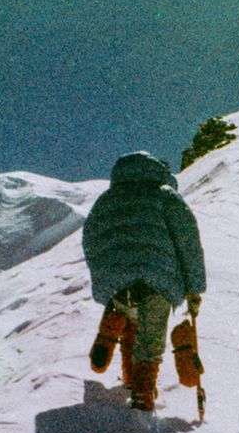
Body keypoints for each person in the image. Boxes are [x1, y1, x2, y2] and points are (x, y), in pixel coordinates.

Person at [82, 151, 206, 412]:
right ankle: (141, 394)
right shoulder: (164, 195)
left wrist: (104, 276)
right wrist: (194, 287)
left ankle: (112, 328)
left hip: (116, 280)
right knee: (149, 341)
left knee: (131, 325)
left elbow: (90, 238)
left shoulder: (106, 199)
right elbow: (188, 242)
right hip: (157, 277)